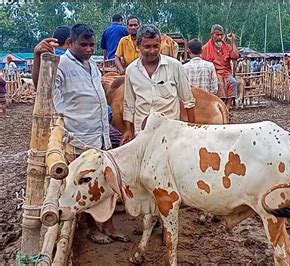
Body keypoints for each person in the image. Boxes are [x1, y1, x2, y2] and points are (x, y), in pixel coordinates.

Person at [33, 24, 129, 245]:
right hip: (79, 136)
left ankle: (109, 226)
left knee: (104, 183)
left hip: (100, 134)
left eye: (91, 44)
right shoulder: (62, 64)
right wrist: (38, 56)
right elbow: (41, 86)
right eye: (83, 44)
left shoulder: (92, 64)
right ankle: (93, 229)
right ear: (70, 43)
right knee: (86, 185)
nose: (88, 48)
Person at [121, 24, 196, 144]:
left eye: (156, 46)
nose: (152, 51)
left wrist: (192, 131)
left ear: (160, 44)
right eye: (147, 47)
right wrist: (128, 130)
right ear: (138, 46)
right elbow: (129, 104)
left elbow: (188, 101)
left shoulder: (174, 66)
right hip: (142, 133)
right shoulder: (131, 70)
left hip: (170, 133)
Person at [202, 24, 240, 110]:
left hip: (226, 73)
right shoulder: (205, 48)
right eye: (217, 34)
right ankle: (220, 105)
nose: (219, 37)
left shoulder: (227, 46)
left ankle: (227, 106)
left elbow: (235, 56)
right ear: (212, 35)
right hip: (214, 73)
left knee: (233, 82)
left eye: (221, 35)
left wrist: (232, 41)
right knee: (220, 84)